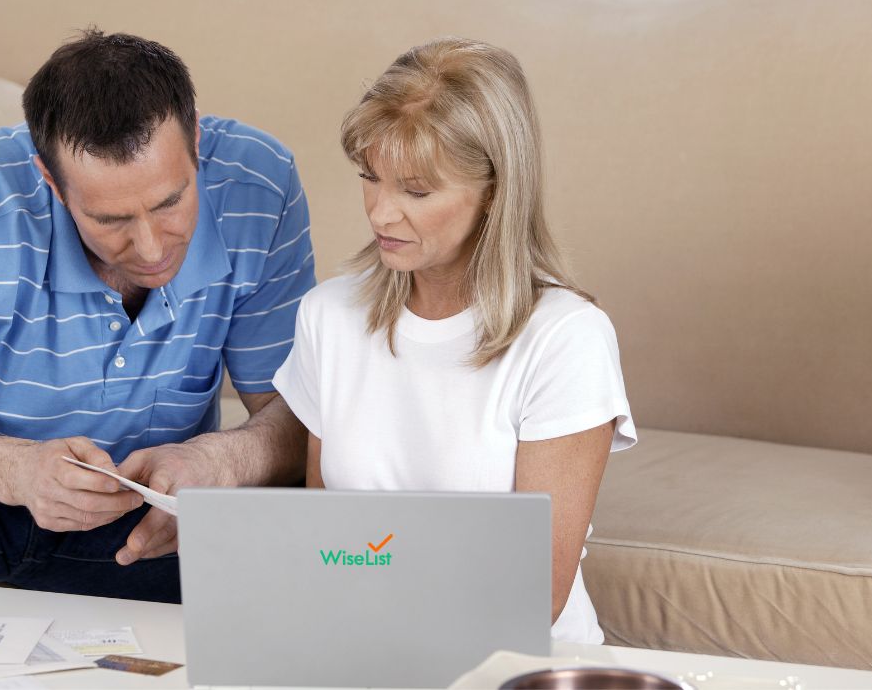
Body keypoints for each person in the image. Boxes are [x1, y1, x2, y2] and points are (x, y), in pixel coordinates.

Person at [0, 30, 313, 604]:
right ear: (50, 181)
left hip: (143, 532)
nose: (153, 248)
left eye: (170, 202)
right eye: (110, 219)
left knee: (302, 533)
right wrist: (13, 472)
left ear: (197, 142)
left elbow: (302, 414)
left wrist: (220, 464)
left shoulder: (260, 185)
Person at [272, 37, 635, 644]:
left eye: (416, 191)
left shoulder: (567, 338)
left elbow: (531, 593)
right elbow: (326, 545)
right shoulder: (328, 316)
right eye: (370, 177)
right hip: (363, 652)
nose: (381, 214)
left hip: (515, 664)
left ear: (495, 192)